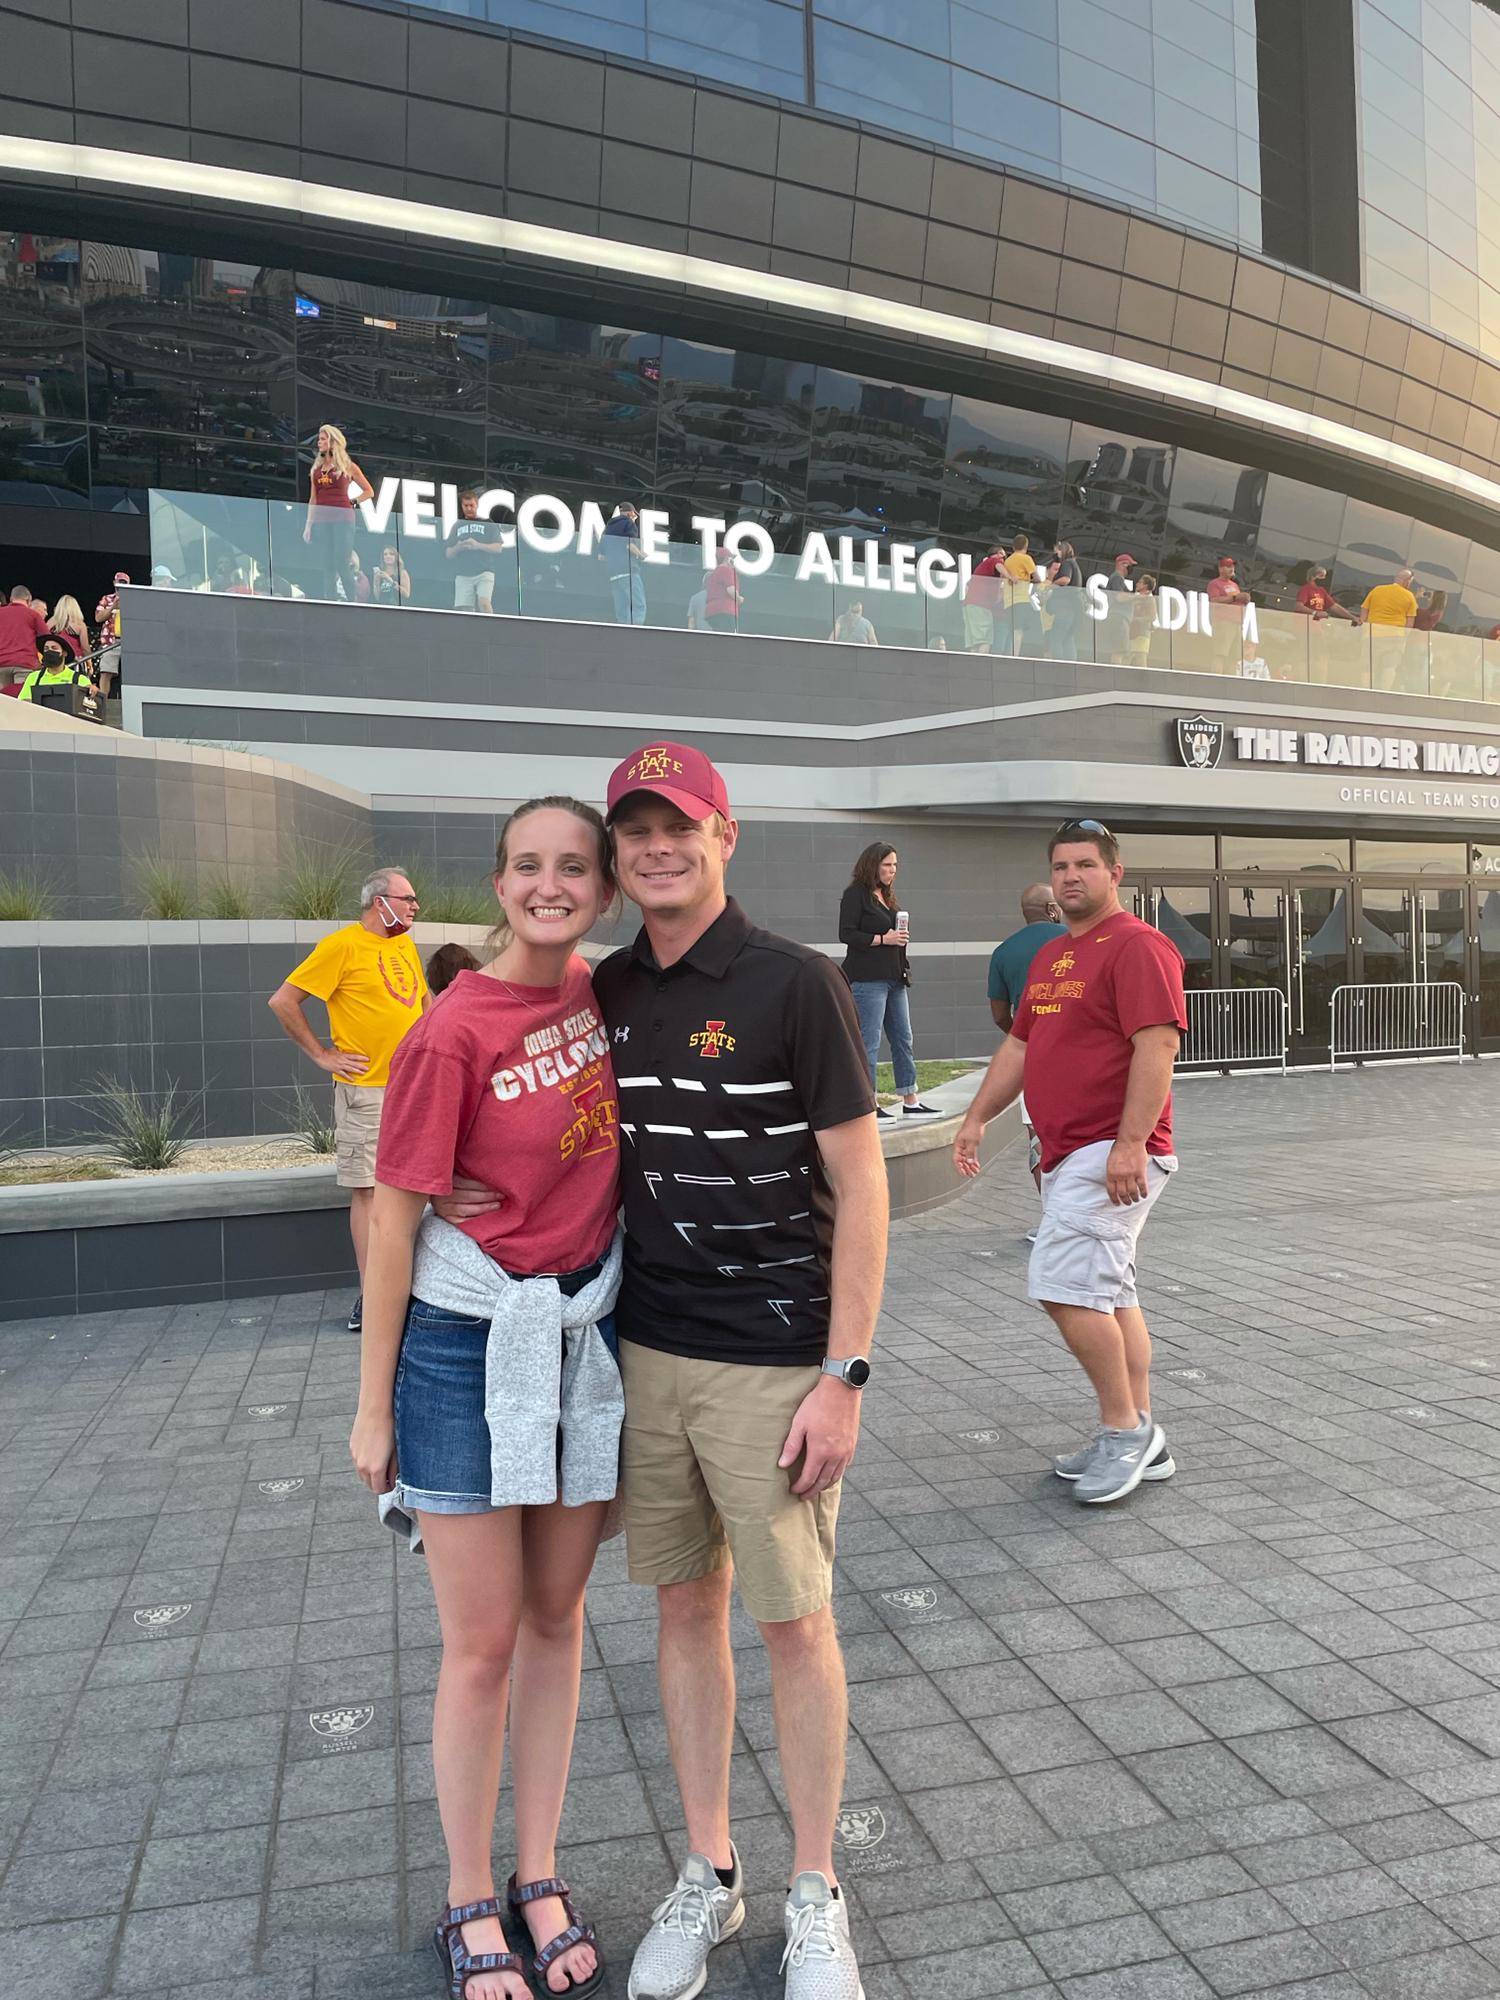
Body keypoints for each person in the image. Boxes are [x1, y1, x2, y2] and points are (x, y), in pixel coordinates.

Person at [435, 739, 889, 2000]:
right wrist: (468, 1185)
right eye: (633, 831)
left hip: (775, 1361)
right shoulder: (605, 988)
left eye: (677, 825)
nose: (654, 848)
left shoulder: (798, 984)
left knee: (793, 1621)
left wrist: (845, 1371)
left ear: (723, 834)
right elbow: (516, 1085)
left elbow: (862, 1185)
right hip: (641, 1349)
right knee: (685, 1607)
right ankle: (710, 1862)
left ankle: (813, 1890)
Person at [350, 799, 623, 2000]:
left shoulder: (609, 1000)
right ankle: (469, 1888)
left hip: (581, 1337)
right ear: (498, 882)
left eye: (574, 867)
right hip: (465, 1349)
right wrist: (373, 1410)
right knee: (482, 1642)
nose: (551, 884)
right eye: (529, 866)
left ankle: (540, 1866)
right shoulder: (452, 1030)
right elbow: (395, 1225)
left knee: (559, 1621)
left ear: (603, 890)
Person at [955, 818, 1187, 1505]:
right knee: (1111, 1295)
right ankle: (1144, 1433)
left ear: (1116, 874)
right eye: (1061, 867)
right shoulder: (1056, 956)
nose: (1071, 877)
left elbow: (1157, 1048)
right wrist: (975, 1118)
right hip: (1069, 1153)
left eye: (1086, 865)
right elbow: (1021, 1049)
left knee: (1062, 1287)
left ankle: (1124, 1432)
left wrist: (1128, 1144)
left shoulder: (1139, 947)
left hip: (1108, 1150)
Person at [267, 868, 428, 1333]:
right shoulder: (341, 946)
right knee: (370, 1192)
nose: (416, 905)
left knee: (409, 1190)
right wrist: (322, 1055)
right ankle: (372, 1296)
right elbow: (283, 1001)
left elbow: (420, 1004)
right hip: (368, 1091)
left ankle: (401, 1289)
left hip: (411, 1088)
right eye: (409, 897)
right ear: (381, 902)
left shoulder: (403, 944)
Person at [987, 884, 1066, 1238]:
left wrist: (1019, 1035)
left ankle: (1052, 1221)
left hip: (1032, 1057)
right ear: (1052, 909)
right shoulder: (1077, 939)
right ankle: (1077, 1219)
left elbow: (999, 1013)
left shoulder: (1004, 952)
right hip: (1079, 1053)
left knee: (1038, 1140)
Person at [838, 843, 938, 1121]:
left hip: (894, 977)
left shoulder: (886, 895)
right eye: (886, 865)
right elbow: (846, 934)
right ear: (872, 864)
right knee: (868, 1043)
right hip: (868, 980)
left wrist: (898, 940)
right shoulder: (855, 894)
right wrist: (884, 939)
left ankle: (910, 1100)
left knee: (903, 1039)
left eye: (894, 866)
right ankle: (868, 1104)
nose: (892, 871)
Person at [302, 423, 375, 600]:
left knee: (342, 562)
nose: (319, 442)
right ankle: (330, 601)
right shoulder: (316, 470)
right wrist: (308, 526)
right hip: (322, 519)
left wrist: (354, 501)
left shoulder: (348, 467)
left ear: (333, 442)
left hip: (343, 517)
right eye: (319, 439)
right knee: (327, 564)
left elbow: (369, 491)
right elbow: (313, 499)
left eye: (323, 439)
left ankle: (352, 602)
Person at [445, 489, 510, 615]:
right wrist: (459, 548)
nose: (469, 508)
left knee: (484, 603)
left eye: (471, 505)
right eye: (466, 506)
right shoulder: (457, 525)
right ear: (462, 506)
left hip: (484, 571)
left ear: (477, 505)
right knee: (464, 610)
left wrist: (478, 545)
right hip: (463, 573)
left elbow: (498, 548)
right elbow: (448, 553)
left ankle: (489, 630)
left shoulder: (488, 523)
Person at [1363, 567, 1419, 690]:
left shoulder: (1377, 590)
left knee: (1368, 667)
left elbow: (1364, 610)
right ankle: (1384, 692)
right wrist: (1405, 639)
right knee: (1389, 666)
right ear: (1408, 581)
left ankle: (1365, 691)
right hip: (1395, 637)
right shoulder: (1410, 596)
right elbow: (1410, 622)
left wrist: (1364, 629)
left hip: (1373, 633)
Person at [602, 502, 647, 625]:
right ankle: (634, 633)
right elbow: (629, 545)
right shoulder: (629, 524)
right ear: (630, 513)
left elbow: (601, 555)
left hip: (613, 574)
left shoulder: (608, 528)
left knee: (621, 609)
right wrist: (640, 554)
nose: (634, 518)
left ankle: (622, 633)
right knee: (639, 605)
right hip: (628, 571)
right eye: (634, 515)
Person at [0, 585, 47, 693]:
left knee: (2, 705)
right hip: (24, 664)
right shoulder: (33, 615)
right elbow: (46, 639)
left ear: (11, 599)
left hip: (1, 664)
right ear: (28, 600)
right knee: (23, 701)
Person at [962, 543, 1007, 654]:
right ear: (999, 554)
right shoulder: (992, 561)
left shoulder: (982, 569)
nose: (1004, 560)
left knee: (974, 642)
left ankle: (973, 665)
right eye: (1004, 557)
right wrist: (1010, 577)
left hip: (969, 606)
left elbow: (967, 586)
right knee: (985, 640)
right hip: (981, 606)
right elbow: (999, 565)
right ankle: (981, 667)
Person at [1207, 554, 1248, 670]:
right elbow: (1214, 600)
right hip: (1223, 622)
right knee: (1220, 654)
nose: (1232, 569)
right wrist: (1235, 598)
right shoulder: (1215, 584)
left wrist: (1244, 600)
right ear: (1220, 569)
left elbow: (1238, 600)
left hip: (1237, 623)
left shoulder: (1234, 585)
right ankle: (1216, 679)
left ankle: (1231, 681)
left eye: (1232, 566)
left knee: (1235, 657)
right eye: (1228, 566)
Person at [1045, 540, 1084, 660]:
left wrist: (1051, 584)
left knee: (1055, 638)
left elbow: (1066, 579)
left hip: (1064, 608)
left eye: (1057, 550)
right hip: (1074, 609)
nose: (1055, 553)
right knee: (1067, 638)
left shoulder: (1067, 563)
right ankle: (1070, 667)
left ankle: (1058, 666)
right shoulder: (1075, 564)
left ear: (1063, 550)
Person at [1005, 533, 1041, 658]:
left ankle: (1011, 654)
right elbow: (1037, 578)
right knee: (1019, 630)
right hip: (1021, 598)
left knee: (1013, 630)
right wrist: (1029, 584)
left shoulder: (1008, 560)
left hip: (1008, 599)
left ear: (1013, 546)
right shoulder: (1026, 558)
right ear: (1026, 545)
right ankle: (1015, 656)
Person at [1101, 552, 1136, 663]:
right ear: (1123, 564)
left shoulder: (1117, 579)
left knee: (1122, 651)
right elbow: (1119, 597)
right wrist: (1136, 597)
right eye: (1130, 565)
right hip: (1119, 619)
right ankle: (1117, 677)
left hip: (1119, 619)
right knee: (1119, 652)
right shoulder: (1117, 578)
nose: (1131, 569)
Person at [703, 547, 742, 631]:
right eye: (731, 558)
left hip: (712, 611)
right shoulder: (726, 570)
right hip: (725, 610)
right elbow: (730, 590)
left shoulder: (713, 574)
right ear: (727, 559)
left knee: (719, 637)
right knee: (727, 638)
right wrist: (739, 599)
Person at [47, 594, 89, 661]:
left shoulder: (51, 622)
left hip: (55, 659)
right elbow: (85, 648)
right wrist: (89, 662)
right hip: (76, 660)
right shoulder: (79, 624)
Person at [1128, 572, 1157, 668]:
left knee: (1140, 660)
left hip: (1142, 634)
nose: (1137, 584)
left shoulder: (1149, 599)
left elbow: (1152, 616)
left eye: (1140, 582)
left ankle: (1142, 681)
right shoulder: (1136, 597)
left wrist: (1136, 619)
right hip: (1132, 633)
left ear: (1145, 585)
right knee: (1129, 658)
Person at [371, 542, 411, 606]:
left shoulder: (402, 573)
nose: (388, 556)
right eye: (385, 554)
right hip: (382, 607)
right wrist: (376, 582)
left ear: (396, 557)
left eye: (391, 554)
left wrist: (391, 581)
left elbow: (406, 594)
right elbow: (377, 597)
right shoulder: (381, 573)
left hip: (396, 608)